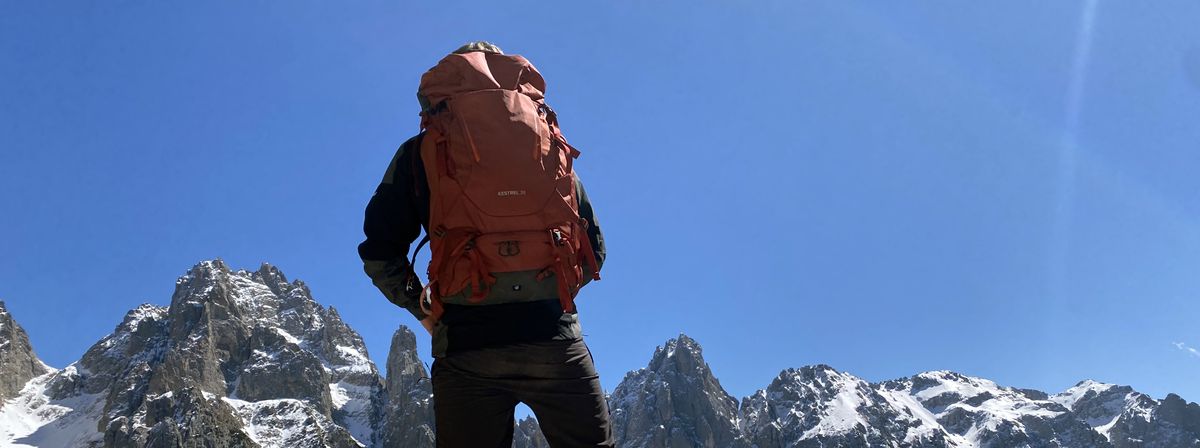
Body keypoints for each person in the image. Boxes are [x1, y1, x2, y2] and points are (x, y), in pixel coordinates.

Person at [358, 41, 614, 447]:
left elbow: (379, 250)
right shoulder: (548, 142)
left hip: (465, 346)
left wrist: (425, 310)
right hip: (555, 342)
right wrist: (551, 295)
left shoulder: (419, 153)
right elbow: (593, 246)